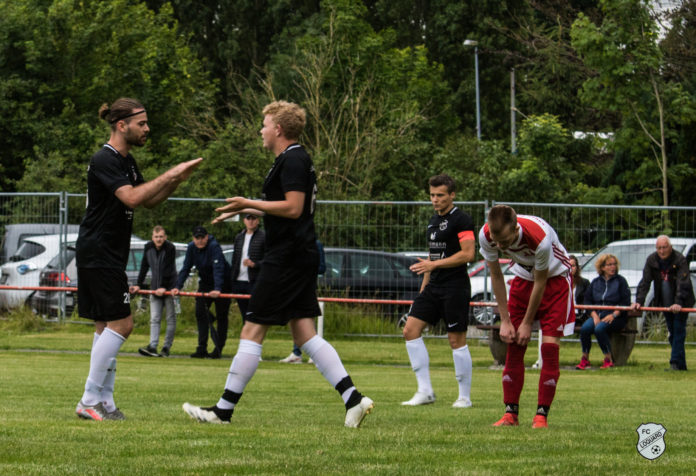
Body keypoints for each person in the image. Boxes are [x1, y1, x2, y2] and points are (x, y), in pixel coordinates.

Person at [182, 100, 373, 428]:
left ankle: (223, 411)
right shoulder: (291, 159)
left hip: (286, 258)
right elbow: (282, 206)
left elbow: (294, 208)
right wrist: (247, 210)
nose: (261, 130)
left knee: (252, 327)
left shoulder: (294, 158)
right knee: (304, 332)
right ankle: (354, 399)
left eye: (265, 124)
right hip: (295, 255)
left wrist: (249, 202)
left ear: (279, 130)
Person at [75, 97, 202, 421]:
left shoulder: (126, 162)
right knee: (123, 324)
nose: (147, 129)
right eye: (141, 124)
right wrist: (171, 171)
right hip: (99, 251)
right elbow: (131, 196)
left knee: (106, 327)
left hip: (106, 253)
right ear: (122, 125)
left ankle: (105, 400)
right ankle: (89, 399)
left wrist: (176, 180)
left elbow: (147, 200)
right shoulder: (105, 159)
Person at [479, 205, 574, 428]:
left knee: (549, 349)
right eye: (496, 241)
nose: (500, 247)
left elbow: (540, 282)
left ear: (515, 229)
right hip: (523, 279)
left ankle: (541, 416)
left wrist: (527, 323)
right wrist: (505, 320)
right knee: (514, 344)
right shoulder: (486, 235)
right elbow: (495, 275)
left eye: (504, 241)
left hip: (555, 281)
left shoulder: (538, 238)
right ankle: (510, 414)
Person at [400, 174, 475, 408]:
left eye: (440, 195)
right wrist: (424, 288)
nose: (435, 199)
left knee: (456, 340)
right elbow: (432, 257)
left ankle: (464, 397)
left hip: (455, 287)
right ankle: (425, 391)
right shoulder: (433, 221)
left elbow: (468, 254)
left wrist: (433, 265)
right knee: (410, 330)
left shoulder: (462, 220)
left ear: (452, 195)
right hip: (433, 287)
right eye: (432, 195)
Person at [631, 235, 695, 370]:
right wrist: (639, 301)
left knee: (678, 329)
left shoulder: (679, 259)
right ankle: (681, 365)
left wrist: (678, 302)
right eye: (659, 248)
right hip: (665, 302)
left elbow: (682, 283)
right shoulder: (652, 260)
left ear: (670, 247)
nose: (662, 251)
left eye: (664, 247)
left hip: (682, 301)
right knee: (673, 331)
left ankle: (675, 362)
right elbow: (645, 282)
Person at [172, 226, 232, 359]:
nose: (199, 241)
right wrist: (178, 286)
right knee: (200, 312)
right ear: (193, 238)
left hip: (223, 283)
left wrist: (218, 289)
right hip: (205, 282)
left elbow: (218, 268)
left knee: (222, 316)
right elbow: (186, 267)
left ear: (207, 237)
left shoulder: (214, 246)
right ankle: (201, 348)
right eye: (196, 238)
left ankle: (218, 348)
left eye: (202, 237)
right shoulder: (191, 247)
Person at [576, 254, 631, 370]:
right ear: (602, 267)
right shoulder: (595, 282)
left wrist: (614, 314)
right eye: (609, 265)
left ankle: (608, 359)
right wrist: (594, 315)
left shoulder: (621, 282)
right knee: (585, 329)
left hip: (616, 317)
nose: (613, 267)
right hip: (598, 315)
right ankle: (585, 358)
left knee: (599, 329)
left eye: (614, 264)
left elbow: (625, 301)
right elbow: (587, 300)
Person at [132, 225, 179, 357]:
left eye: (161, 237)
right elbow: (144, 266)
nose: (159, 239)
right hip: (155, 288)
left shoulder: (170, 248)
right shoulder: (148, 247)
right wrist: (138, 284)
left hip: (170, 289)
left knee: (170, 318)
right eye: (156, 237)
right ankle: (152, 346)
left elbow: (168, 268)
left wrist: (164, 287)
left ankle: (166, 347)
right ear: (152, 237)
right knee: (154, 318)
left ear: (165, 237)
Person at [280, 238, 326, 363]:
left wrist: (305, 269)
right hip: (293, 286)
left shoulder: (316, 244)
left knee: (307, 320)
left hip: (307, 287)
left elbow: (322, 267)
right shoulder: (291, 243)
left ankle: (315, 354)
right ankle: (296, 353)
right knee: (294, 318)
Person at [230, 212, 266, 321]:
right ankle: (246, 336)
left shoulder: (264, 236)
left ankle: (253, 335)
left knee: (254, 312)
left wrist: (255, 264)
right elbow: (235, 258)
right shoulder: (239, 237)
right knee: (244, 313)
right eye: (248, 218)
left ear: (258, 220)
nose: (251, 221)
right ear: (244, 221)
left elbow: (269, 259)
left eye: (253, 218)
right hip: (239, 281)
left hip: (254, 281)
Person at [570, 255, 591, 326]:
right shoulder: (561, 284)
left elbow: (589, 300)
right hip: (565, 316)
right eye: (568, 266)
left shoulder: (584, 283)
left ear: (577, 267)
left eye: (573, 266)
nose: (571, 268)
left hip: (580, 315)